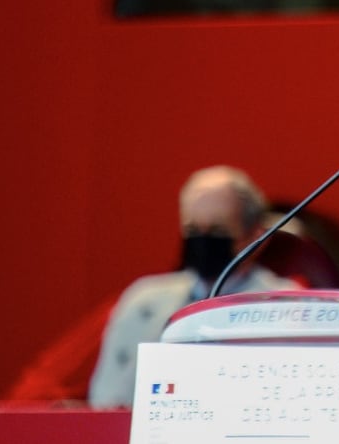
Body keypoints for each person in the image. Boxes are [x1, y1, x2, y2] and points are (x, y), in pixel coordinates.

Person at [88, 165, 301, 408]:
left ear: (255, 237)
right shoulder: (142, 301)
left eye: (218, 230)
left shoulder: (285, 305)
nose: (203, 240)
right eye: (192, 229)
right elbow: (106, 400)